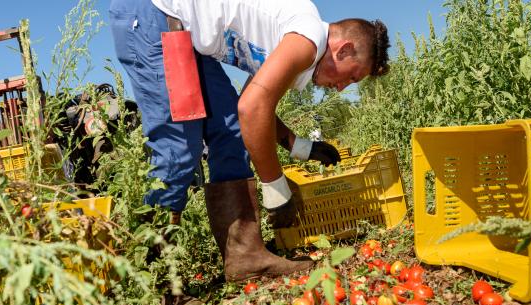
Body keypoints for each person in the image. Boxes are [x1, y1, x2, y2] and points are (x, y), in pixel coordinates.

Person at [109, 0, 390, 282]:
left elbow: (253, 102)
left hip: (186, 33)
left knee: (230, 133)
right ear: (344, 49)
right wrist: (276, 189)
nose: (341, 88)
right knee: (179, 147)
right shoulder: (307, 40)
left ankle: (245, 257)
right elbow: (254, 108)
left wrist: (300, 146)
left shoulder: (294, 38)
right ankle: (150, 282)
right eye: (351, 77)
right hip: (154, 13)